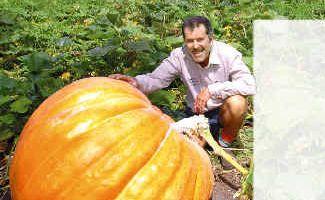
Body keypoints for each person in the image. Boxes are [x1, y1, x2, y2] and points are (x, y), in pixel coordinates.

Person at [109, 16, 256, 168]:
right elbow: (157, 79)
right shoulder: (179, 56)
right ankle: (204, 141)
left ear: (210, 39)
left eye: (200, 39)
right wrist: (136, 82)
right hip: (196, 115)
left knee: (238, 102)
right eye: (190, 41)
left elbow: (250, 85)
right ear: (185, 41)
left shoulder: (228, 54)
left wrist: (212, 90)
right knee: (186, 154)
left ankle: (225, 142)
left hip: (222, 113)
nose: (195, 46)